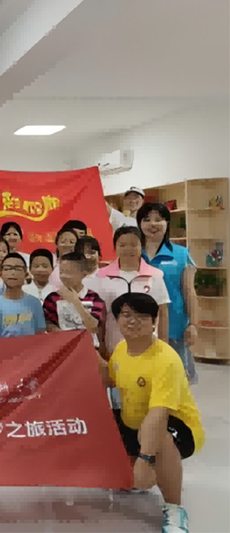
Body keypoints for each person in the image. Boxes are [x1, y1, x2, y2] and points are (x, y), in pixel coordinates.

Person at [98, 293, 204, 533]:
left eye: (141, 316)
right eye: (126, 315)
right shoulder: (121, 349)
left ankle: (175, 509)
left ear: (154, 321)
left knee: (160, 441)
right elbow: (110, 379)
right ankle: (138, 467)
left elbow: (159, 414)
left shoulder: (165, 360)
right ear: (117, 320)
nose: (132, 321)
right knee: (98, 425)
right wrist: (86, 351)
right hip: (134, 422)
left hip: (176, 425)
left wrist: (146, 459)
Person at [138, 203, 199, 383]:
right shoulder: (132, 253)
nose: (152, 224)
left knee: (175, 378)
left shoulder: (181, 254)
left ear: (167, 223)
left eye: (158, 219)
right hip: (139, 325)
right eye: (146, 219)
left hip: (174, 325)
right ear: (139, 224)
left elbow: (189, 291)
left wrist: (193, 324)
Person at [91, 226, 170, 358]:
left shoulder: (154, 275)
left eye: (133, 245)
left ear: (142, 246)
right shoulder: (101, 276)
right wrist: (101, 344)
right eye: (122, 245)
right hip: (114, 345)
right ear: (115, 247)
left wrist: (164, 344)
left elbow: (162, 312)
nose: (128, 249)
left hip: (148, 347)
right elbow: (100, 315)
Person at [43, 252, 107, 348]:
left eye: (68, 272)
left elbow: (93, 326)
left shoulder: (94, 298)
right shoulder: (52, 298)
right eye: (61, 272)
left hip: (88, 349)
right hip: (62, 349)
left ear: (84, 273)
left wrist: (75, 301)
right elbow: (49, 325)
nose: (63, 276)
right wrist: (70, 340)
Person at [0, 253, 46, 338]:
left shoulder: (35, 303)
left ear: (26, 274)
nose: (12, 272)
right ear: (1, 274)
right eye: (7, 269)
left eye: (18, 269)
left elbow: (40, 334)